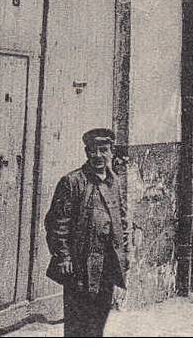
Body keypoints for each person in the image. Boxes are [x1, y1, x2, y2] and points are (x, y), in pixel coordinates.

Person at [45, 127, 128, 337]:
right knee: (77, 323)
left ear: (111, 152)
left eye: (103, 150)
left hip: (107, 265)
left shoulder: (115, 182)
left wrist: (124, 254)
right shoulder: (72, 182)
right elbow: (57, 223)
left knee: (98, 320)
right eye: (93, 150)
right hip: (79, 264)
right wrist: (63, 256)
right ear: (86, 152)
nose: (98, 155)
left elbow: (122, 220)